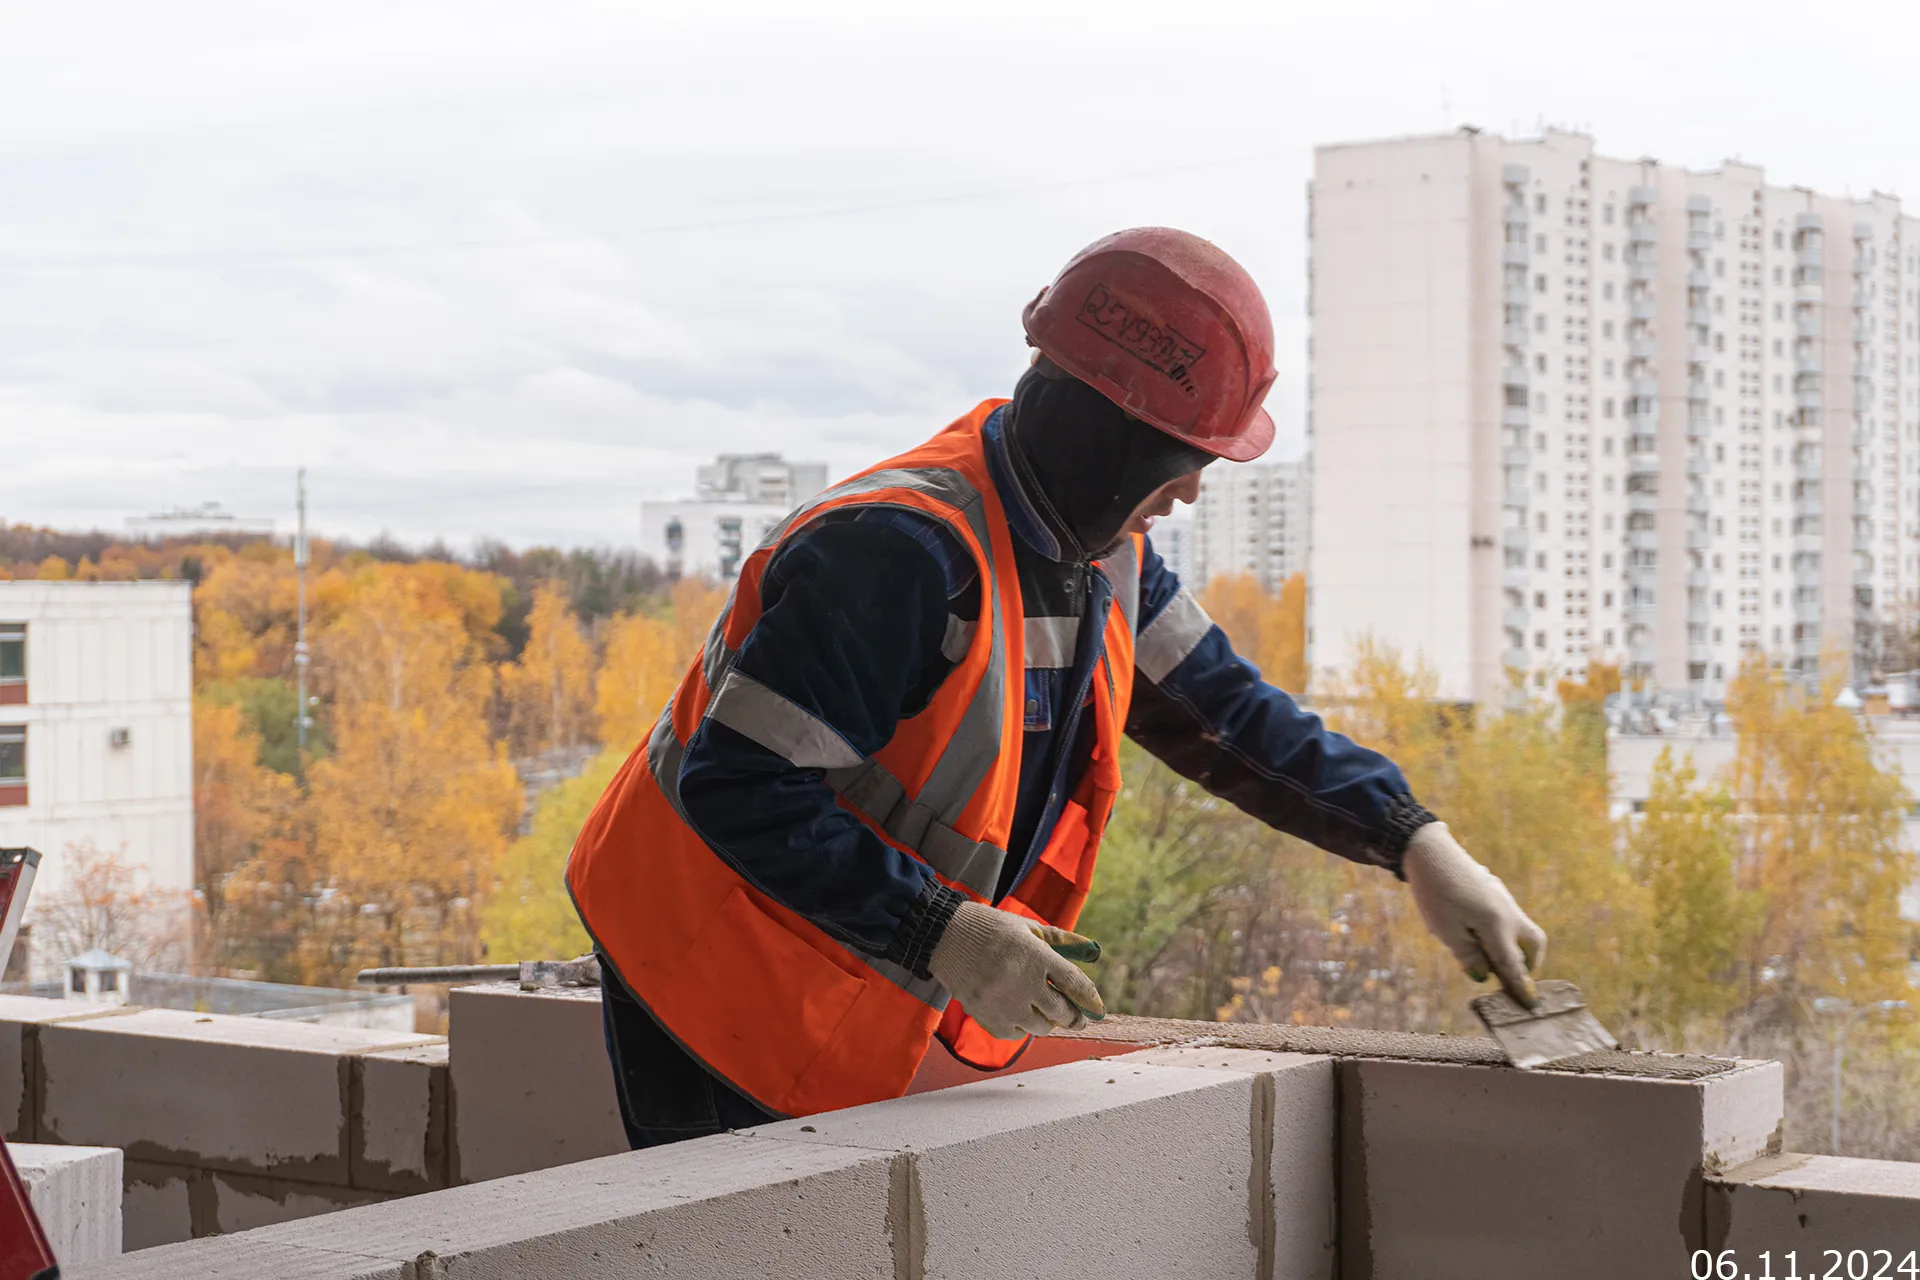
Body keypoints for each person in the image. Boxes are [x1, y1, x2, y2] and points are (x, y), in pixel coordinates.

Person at [567, 227, 1547, 1149]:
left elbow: (1231, 714)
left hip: (825, 947)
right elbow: (740, 787)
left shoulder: (1104, 555)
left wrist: (1412, 838)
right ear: (1111, 440)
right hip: (698, 955)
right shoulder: (897, 555)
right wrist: (939, 929)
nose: (1194, 492)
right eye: (1186, 462)